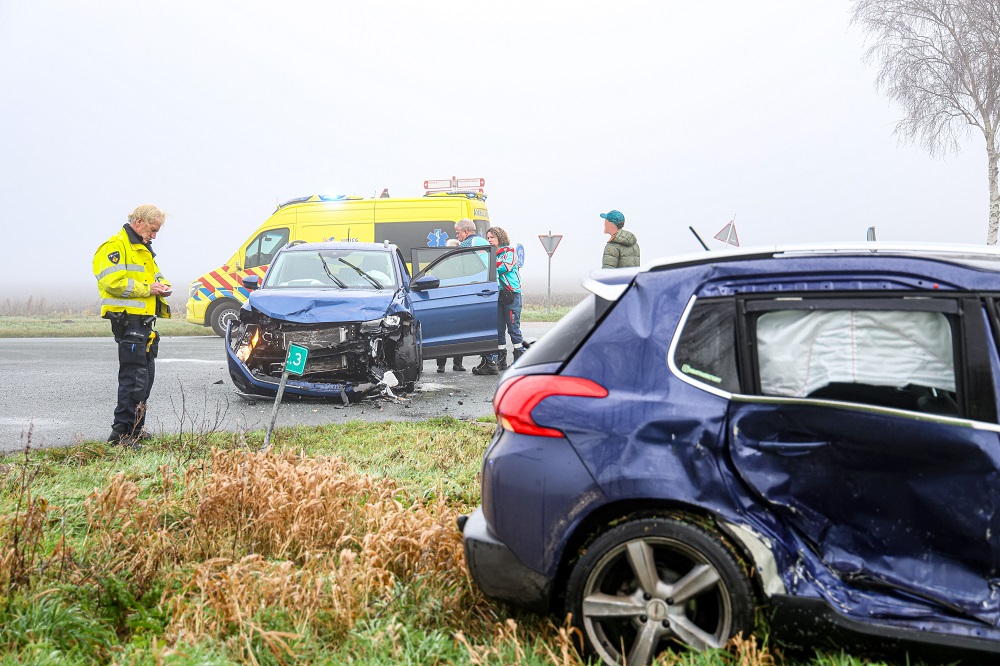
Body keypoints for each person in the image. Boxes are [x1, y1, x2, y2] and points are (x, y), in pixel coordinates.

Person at [93, 204, 172, 447]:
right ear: (138, 222)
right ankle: (120, 434)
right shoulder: (115, 246)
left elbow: (156, 277)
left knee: (145, 377)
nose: (154, 235)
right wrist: (148, 289)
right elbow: (112, 282)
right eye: (152, 229)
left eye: (157, 231)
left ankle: (135, 429)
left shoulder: (143, 249)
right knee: (133, 379)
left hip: (145, 323)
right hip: (128, 322)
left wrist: (163, 286)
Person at [474, 227, 524, 376]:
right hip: (497, 293)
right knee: (499, 328)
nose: (489, 240)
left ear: (500, 237)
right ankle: (501, 360)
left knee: (513, 327)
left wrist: (488, 265)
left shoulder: (509, 252)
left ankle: (519, 359)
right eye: (488, 237)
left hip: (511, 293)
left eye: (492, 237)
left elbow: (503, 268)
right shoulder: (490, 254)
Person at [437, 238, 467, 373]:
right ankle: (442, 364)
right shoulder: (443, 263)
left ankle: (457, 363)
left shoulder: (461, 264)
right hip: (447, 300)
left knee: (458, 332)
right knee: (445, 333)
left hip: (456, 300)